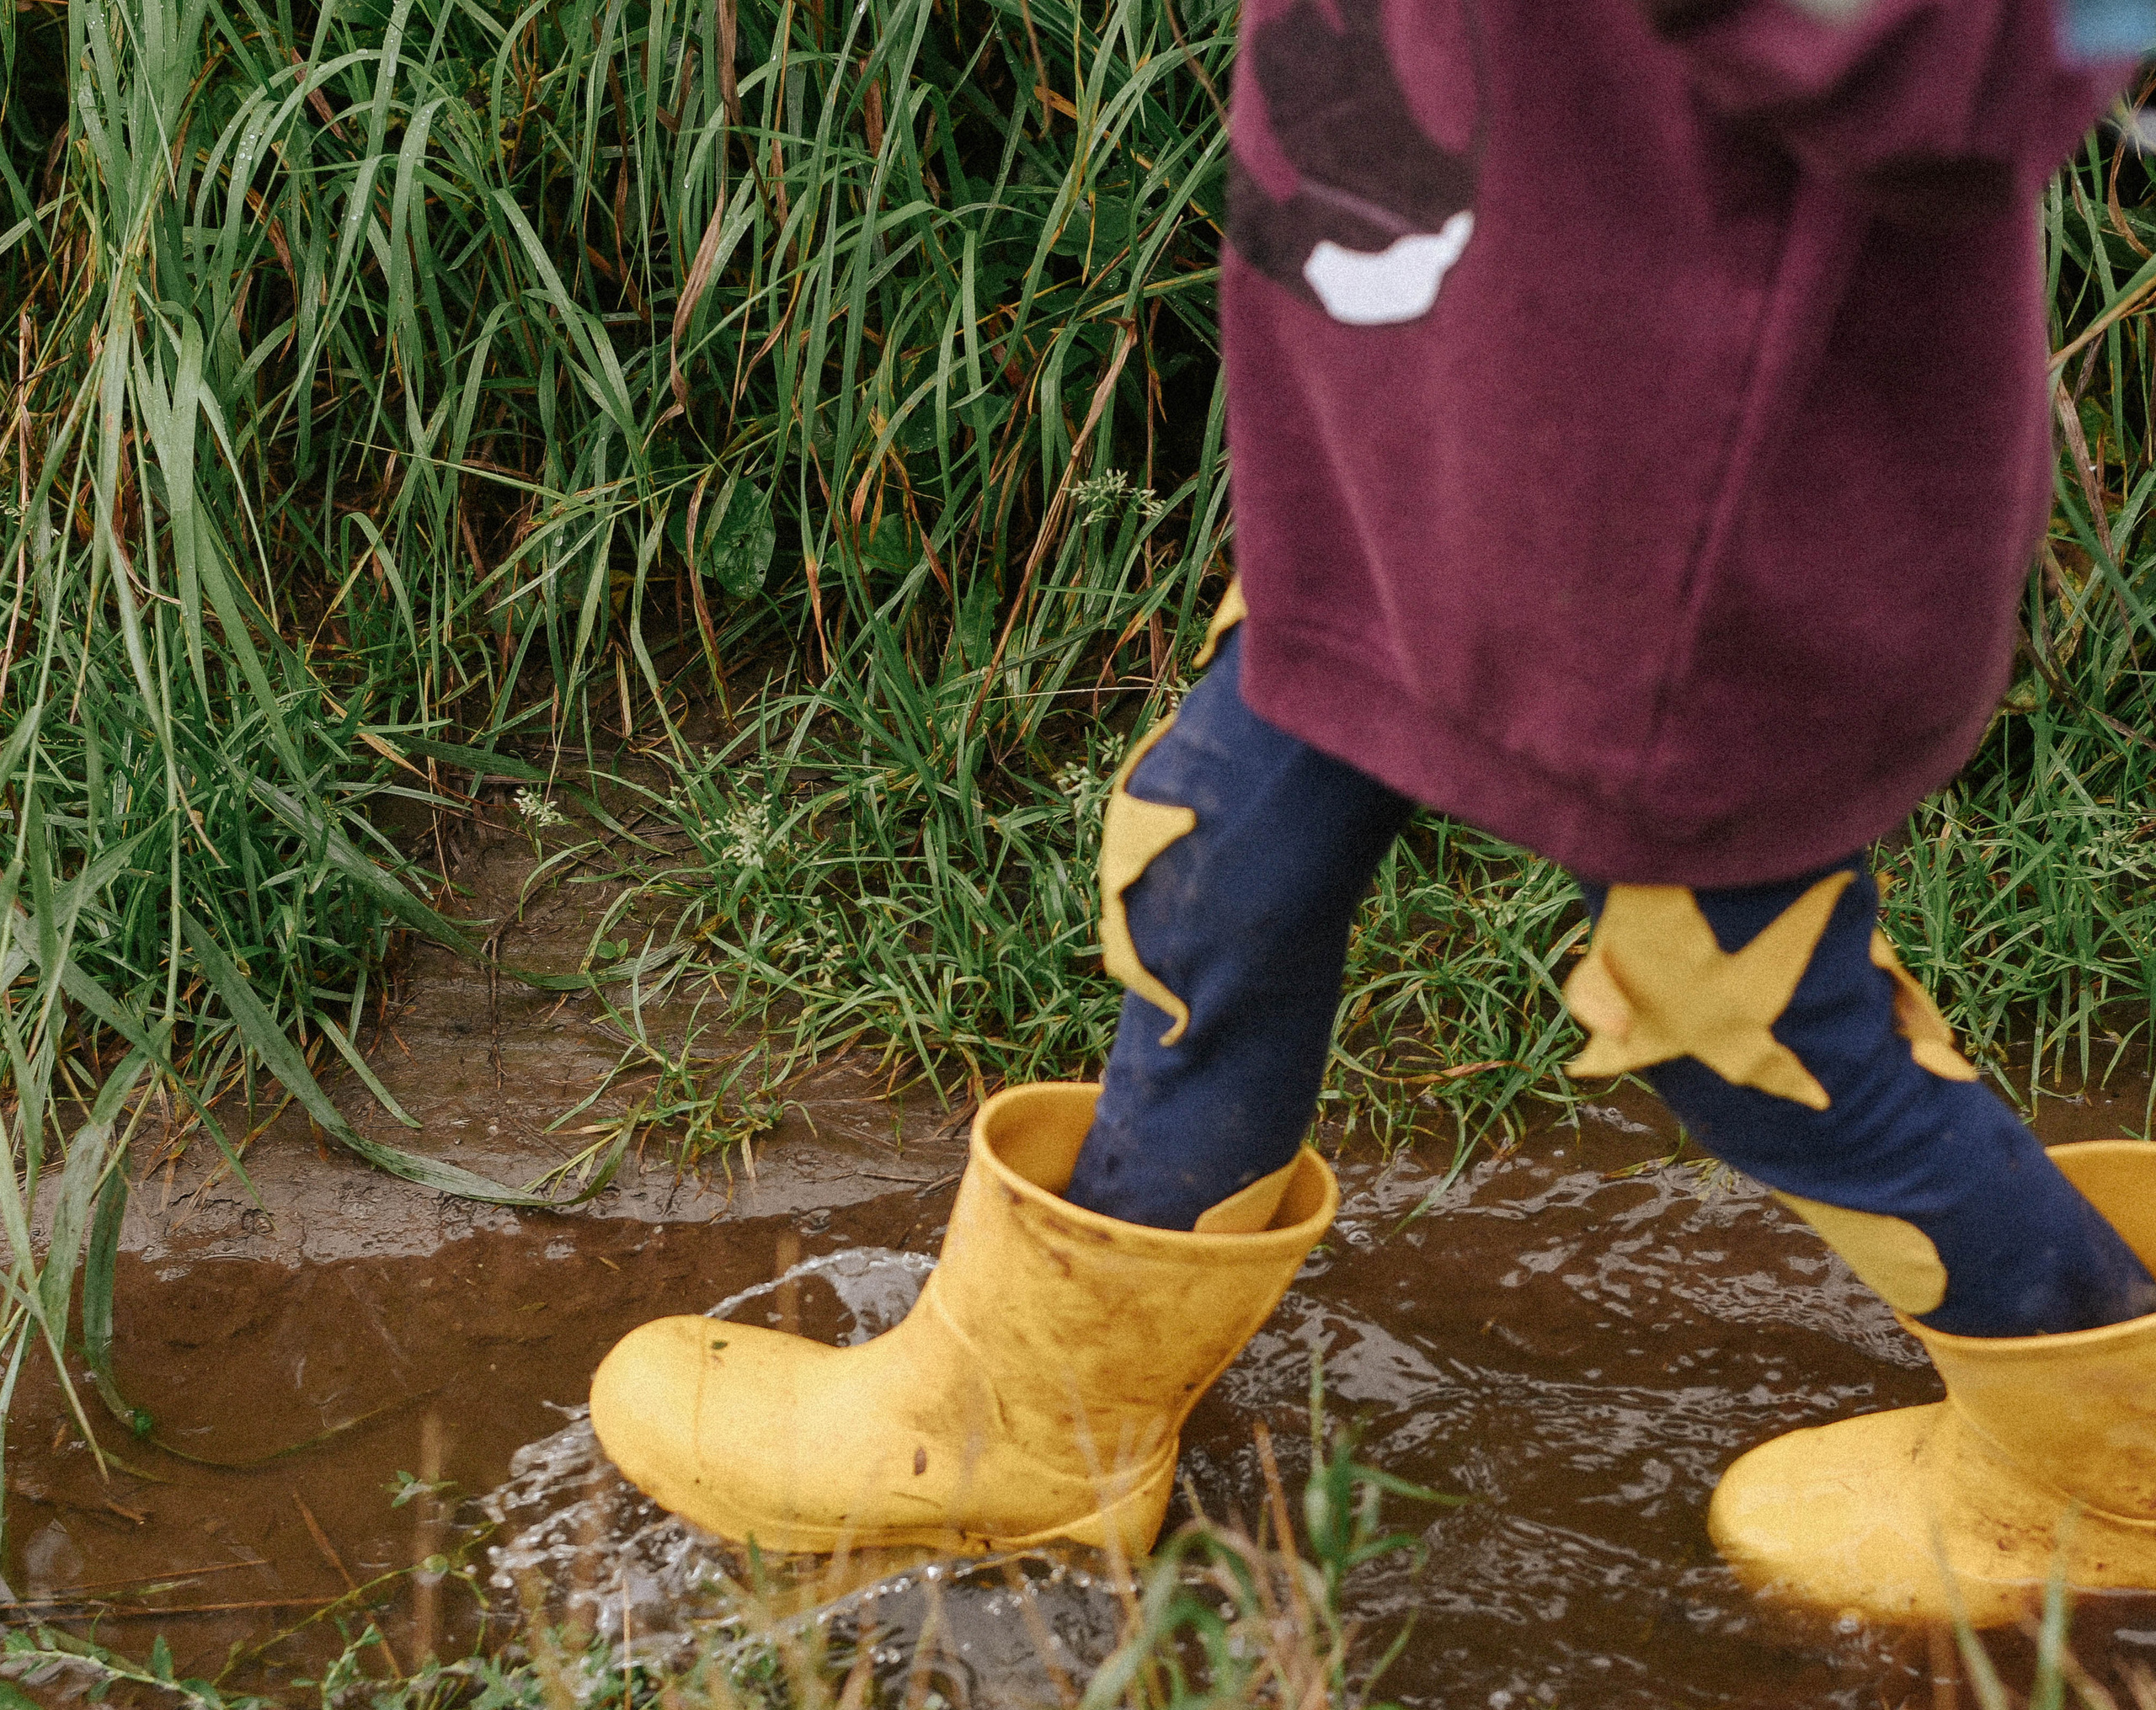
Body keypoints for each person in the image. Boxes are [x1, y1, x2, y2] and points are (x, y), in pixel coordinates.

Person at [592, 0, 2156, 1622]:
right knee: (1214, 857)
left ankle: (2110, 1461)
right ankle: (1040, 1432)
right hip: (1422, 445)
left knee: (1738, 1009)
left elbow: (1962, 69)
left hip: (1695, 526)